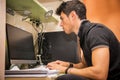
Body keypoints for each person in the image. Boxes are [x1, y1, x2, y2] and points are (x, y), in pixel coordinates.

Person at [47, 0, 120, 80]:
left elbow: (100, 74)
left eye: (62, 19)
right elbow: (84, 65)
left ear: (72, 16)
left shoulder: (95, 33)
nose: (61, 24)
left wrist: (66, 70)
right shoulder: (84, 35)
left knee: (64, 78)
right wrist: (66, 65)